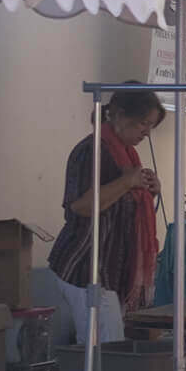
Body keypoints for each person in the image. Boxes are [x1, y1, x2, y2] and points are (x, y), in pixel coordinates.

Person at [46, 87, 165, 346]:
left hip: (112, 270)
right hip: (86, 266)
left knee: (105, 347)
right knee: (104, 349)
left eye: (150, 126)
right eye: (143, 123)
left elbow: (124, 209)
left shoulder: (126, 155)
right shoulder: (92, 151)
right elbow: (81, 206)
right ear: (120, 116)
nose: (146, 132)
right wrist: (128, 182)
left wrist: (149, 190)